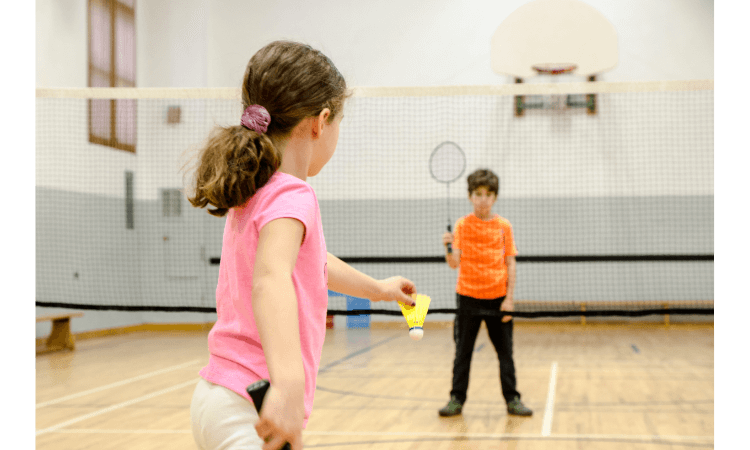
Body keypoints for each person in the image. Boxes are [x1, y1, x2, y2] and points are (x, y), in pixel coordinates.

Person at [186, 40, 417, 450]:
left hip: (218, 397)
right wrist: (289, 384)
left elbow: (312, 267)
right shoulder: (293, 195)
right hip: (254, 403)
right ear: (320, 122)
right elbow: (271, 280)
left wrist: (379, 289)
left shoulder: (255, 190)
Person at [439, 169, 532, 418]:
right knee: (462, 353)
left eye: (488, 194)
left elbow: (511, 262)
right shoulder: (462, 225)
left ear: (495, 198)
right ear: (470, 196)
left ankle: (512, 399)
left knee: (505, 354)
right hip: (467, 298)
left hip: (498, 299)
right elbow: (454, 263)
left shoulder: (504, 226)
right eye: (478, 194)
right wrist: (448, 246)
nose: (483, 199)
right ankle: (456, 399)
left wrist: (510, 299)